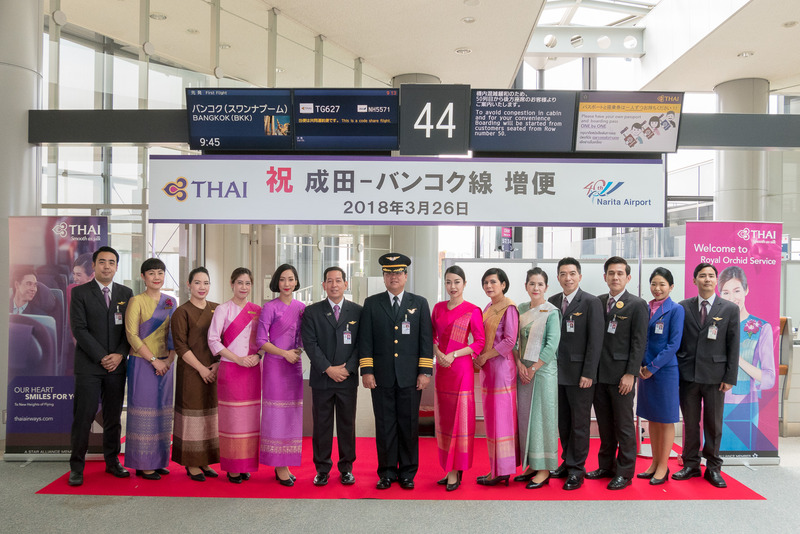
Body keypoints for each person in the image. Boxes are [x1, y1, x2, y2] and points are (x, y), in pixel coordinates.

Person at [359, 253, 433, 490]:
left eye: (398, 272)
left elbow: (425, 339)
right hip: (381, 377)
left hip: (411, 377)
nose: (394, 277)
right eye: (389, 273)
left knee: (409, 425)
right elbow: (365, 340)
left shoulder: (419, 303)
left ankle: (408, 472)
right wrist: (367, 370)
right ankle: (387, 472)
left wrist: (425, 371)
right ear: (383, 277)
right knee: (385, 425)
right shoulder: (372, 303)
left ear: (406, 276)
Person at [67, 246, 133, 486]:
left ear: (116, 266)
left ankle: (112, 461)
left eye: (112, 262)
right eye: (102, 262)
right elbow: (79, 329)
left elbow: (130, 330)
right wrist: (102, 357)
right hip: (89, 366)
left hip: (117, 366)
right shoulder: (80, 292)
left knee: (113, 417)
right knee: (83, 416)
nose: (107, 266)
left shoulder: (126, 292)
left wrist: (119, 355)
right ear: (93, 266)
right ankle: (76, 466)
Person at [673, 263, 740, 488]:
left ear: (716, 281)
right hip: (688, 376)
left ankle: (713, 468)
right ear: (695, 280)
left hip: (715, 377)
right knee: (691, 424)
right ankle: (690, 465)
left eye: (711, 276)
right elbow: (677, 340)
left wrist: (730, 376)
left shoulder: (729, 308)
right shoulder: (682, 307)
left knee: (713, 424)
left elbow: (733, 345)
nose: (707, 279)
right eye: (702, 276)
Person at [587, 257, 648, 490]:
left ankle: (624, 472)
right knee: (605, 424)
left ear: (628, 277)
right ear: (605, 277)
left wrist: (631, 373)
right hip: (599, 376)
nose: (615, 277)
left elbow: (639, 342)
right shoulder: (597, 302)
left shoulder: (637, 304)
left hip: (622, 376)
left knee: (623, 425)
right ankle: (606, 466)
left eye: (620, 273)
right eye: (611, 273)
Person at [301, 266, 362, 487]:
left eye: (338, 280)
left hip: (347, 378)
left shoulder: (357, 311)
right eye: (329, 281)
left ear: (346, 284)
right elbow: (310, 344)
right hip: (322, 379)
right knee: (322, 425)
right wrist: (328, 368)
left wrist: (348, 369)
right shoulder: (312, 312)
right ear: (324, 285)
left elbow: (361, 344)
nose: (334, 285)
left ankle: (346, 468)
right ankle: (322, 468)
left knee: (347, 424)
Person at [547, 257, 604, 491]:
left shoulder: (591, 302)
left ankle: (577, 470)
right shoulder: (551, 301)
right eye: (563, 274)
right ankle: (566, 461)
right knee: (563, 422)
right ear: (558, 277)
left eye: (572, 273)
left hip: (581, 375)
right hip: (555, 374)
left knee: (579, 424)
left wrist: (589, 373)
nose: (567, 278)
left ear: (579, 276)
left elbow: (596, 341)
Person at [431, 265, 485, 491]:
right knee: (444, 419)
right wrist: (438, 353)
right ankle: (448, 466)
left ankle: (457, 470)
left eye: (457, 282)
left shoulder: (472, 310)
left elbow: (479, 342)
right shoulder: (438, 308)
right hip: (442, 369)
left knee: (460, 420)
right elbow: (432, 336)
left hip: (460, 369)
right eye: (448, 282)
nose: (452, 287)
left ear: (464, 284)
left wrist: (453, 353)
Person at [208, 267, 262, 484]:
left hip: (252, 370)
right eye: (240, 282)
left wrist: (257, 356)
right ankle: (232, 466)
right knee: (232, 420)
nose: (243, 287)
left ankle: (245, 464)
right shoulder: (223, 309)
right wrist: (238, 359)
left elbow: (263, 340)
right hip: (231, 369)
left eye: (247, 283)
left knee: (249, 420)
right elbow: (213, 340)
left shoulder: (257, 310)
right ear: (232, 284)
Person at [124, 257, 176, 480]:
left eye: (160, 273)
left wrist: (169, 361)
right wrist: (154, 360)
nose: (157, 277)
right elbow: (132, 335)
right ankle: (143, 463)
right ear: (143, 277)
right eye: (152, 273)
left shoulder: (170, 302)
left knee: (162, 412)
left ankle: (159, 461)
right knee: (144, 412)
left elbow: (174, 336)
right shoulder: (136, 301)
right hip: (142, 363)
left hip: (166, 364)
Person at [257, 264, 305, 487]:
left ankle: (286, 460)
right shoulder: (269, 308)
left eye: (291, 279)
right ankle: (279, 465)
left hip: (293, 365)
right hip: (275, 365)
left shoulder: (302, 307)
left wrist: (297, 352)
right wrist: (284, 353)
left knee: (292, 413)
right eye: (283, 279)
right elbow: (261, 341)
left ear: (296, 282)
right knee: (276, 413)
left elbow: (304, 338)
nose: (287, 284)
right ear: (277, 282)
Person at [718, 266, 776, 452]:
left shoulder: (761, 327)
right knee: (713, 451)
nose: (732, 297)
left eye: (737, 291)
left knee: (740, 452)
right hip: (714, 398)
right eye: (725, 292)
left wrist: (738, 359)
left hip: (744, 403)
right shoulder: (713, 324)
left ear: (746, 290)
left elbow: (769, 378)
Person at [171, 267, 220, 482]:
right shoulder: (181, 312)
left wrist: (216, 365)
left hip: (214, 369)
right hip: (192, 370)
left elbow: (223, 339)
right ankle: (191, 462)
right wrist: (201, 368)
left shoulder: (217, 309)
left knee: (209, 414)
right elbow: (180, 346)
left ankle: (205, 460)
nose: (202, 287)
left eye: (206, 283)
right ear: (189, 285)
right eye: (198, 282)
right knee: (192, 414)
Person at [513, 267, 560, 490]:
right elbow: (514, 341)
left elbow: (552, 345)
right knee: (525, 418)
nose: (536, 288)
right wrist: (520, 364)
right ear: (526, 286)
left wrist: (533, 368)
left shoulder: (551, 311)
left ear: (546, 287)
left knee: (543, 418)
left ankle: (544, 469)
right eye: (532, 283)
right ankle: (531, 464)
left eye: (540, 284)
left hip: (543, 372)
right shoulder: (520, 309)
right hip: (523, 372)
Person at [637, 267, 684, 485]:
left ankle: (664, 466)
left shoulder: (675, 310)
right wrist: (640, 365)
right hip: (643, 370)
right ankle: (655, 463)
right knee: (652, 418)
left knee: (665, 420)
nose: (657, 288)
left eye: (662, 284)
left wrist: (651, 367)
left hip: (664, 371)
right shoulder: (644, 308)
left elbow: (673, 344)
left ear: (671, 287)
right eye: (654, 284)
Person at [475, 267, 519, 486]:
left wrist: (485, 357)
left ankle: (502, 470)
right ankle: (496, 468)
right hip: (488, 369)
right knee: (491, 419)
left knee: (501, 420)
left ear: (503, 284)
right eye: (485, 283)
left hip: (501, 368)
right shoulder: (488, 307)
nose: (489, 286)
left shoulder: (509, 308)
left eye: (493, 282)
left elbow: (510, 341)